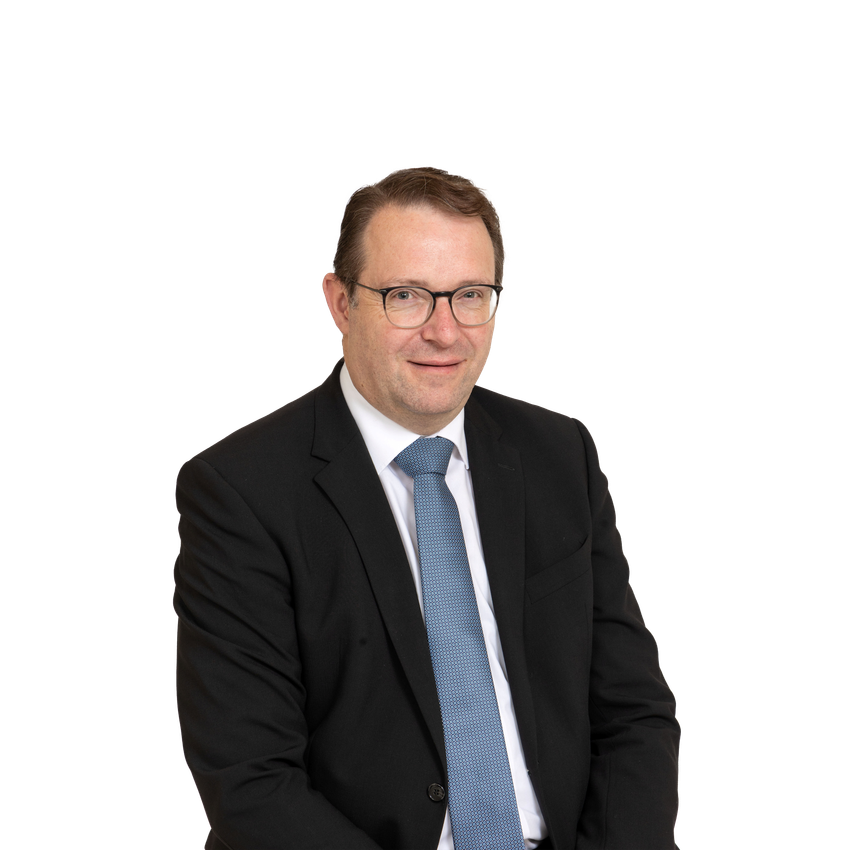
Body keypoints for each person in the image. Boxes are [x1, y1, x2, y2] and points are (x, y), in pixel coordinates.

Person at [174, 166, 680, 850]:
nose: (445, 332)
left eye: (470, 295)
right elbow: (250, 779)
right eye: (406, 296)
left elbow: (634, 713)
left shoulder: (559, 453)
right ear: (340, 303)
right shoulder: (240, 489)